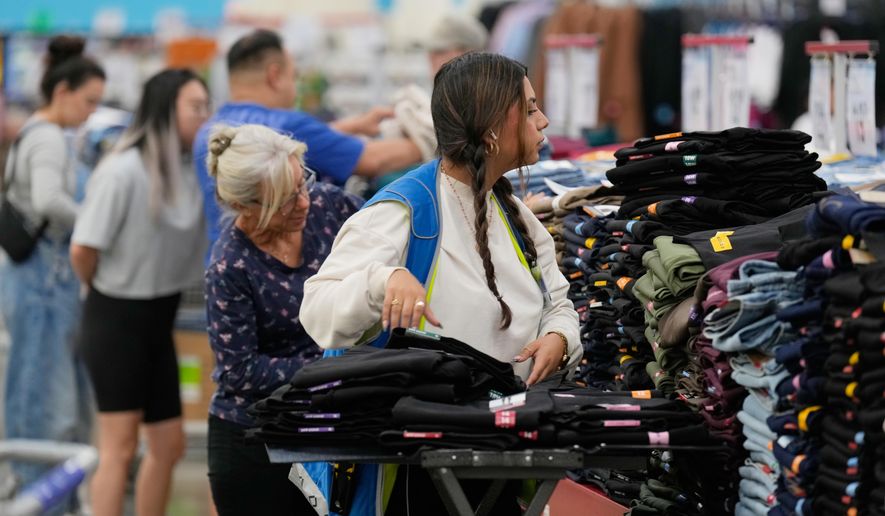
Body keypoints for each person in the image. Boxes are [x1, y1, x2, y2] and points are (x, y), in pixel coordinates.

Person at [299, 52, 582, 515]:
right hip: (416, 471)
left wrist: (559, 337)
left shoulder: (518, 219)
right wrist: (383, 280)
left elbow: (559, 303)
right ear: (492, 126)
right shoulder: (403, 212)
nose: (543, 120)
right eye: (529, 109)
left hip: (500, 452)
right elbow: (318, 307)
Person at [203, 123, 363, 515]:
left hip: (328, 425)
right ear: (246, 207)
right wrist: (331, 367)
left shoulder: (330, 208)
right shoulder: (230, 266)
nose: (303, 203)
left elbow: (394, 233)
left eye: (302, 185)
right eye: (284, 202)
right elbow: (241, 371)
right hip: (255, 441)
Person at [69, 69, 209, 516]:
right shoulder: (123, 169)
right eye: (195, 107)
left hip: (157, 319)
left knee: (168, 445)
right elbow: (83, 248)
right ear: (167, 110)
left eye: (206, 106)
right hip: (114, 319)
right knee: (120, 447)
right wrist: (101, 290)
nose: (203, 116)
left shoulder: (191, 169)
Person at [194, 29, 421, 252]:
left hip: (225, 268)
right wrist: (431, 136)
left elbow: (307, 141)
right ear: (274, 76)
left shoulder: (212, 135)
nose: (297, 87)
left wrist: (353, 126)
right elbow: (374, 159)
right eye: (295, 76)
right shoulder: (288, 125)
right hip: (286, 268)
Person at [0, 35, 105, 511]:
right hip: (42, 285)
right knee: (43, 397)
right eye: (88, 102)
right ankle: (36, 496)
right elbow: (47, 201)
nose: (90, 113)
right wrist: (94, 221)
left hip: (41, 284)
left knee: (40, 388)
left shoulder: (40, 133)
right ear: (63, 92)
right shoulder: (46, 137)